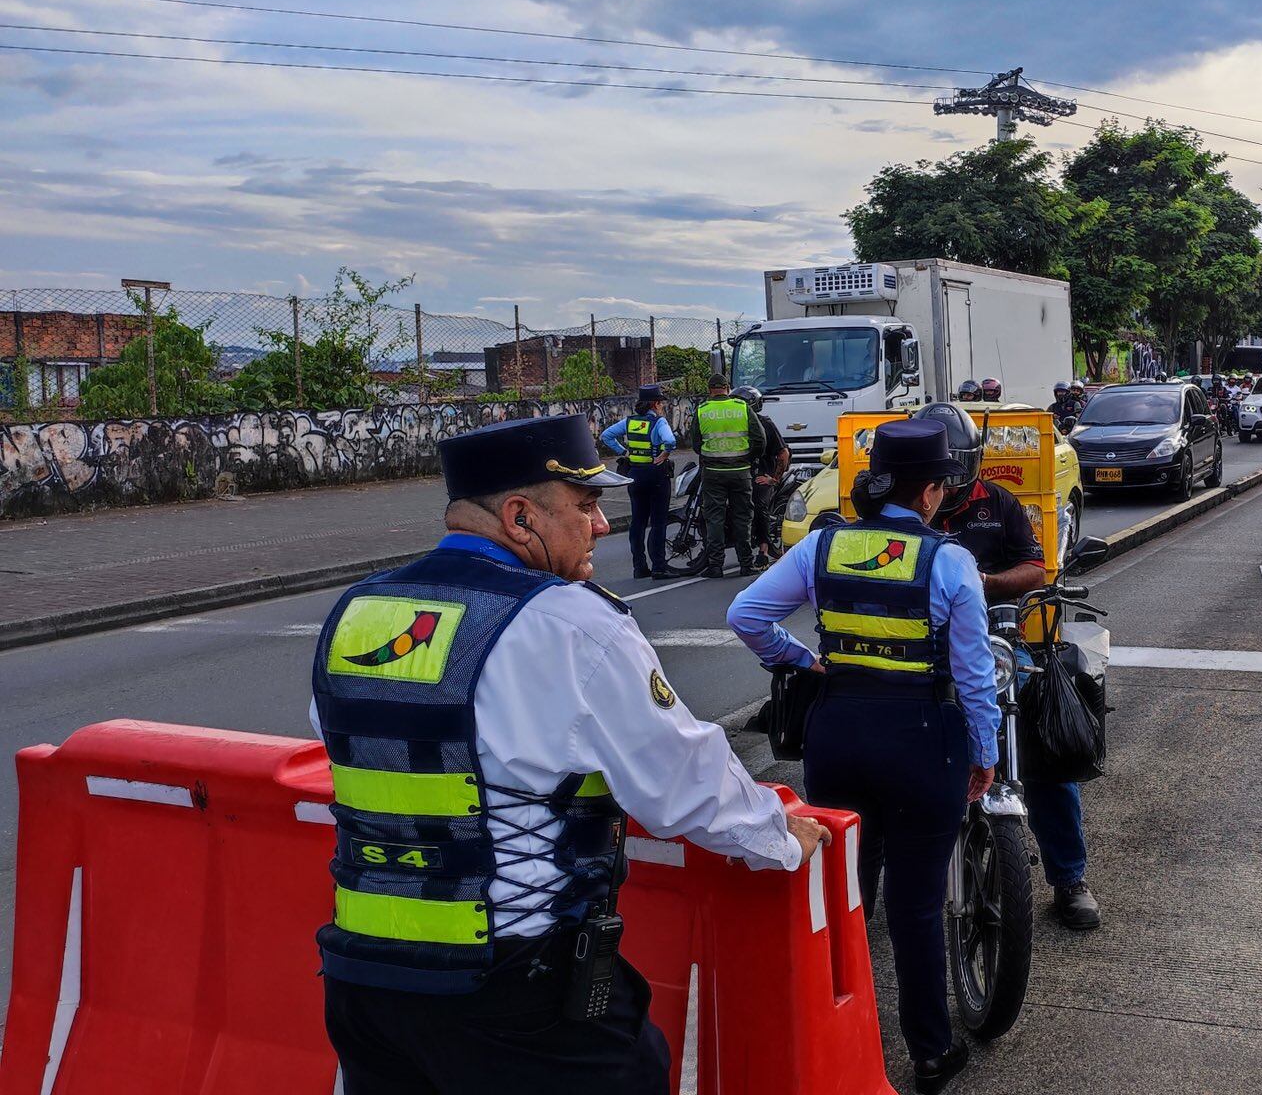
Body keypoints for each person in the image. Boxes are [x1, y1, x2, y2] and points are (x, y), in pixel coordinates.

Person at [312, 415, 827, 1093]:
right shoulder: (570, 623)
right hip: (515, 990)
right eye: (585, 506)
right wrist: (778, 836)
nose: (603, 525)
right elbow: (681, 779)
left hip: (364, 984)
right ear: (521, 517)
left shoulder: (359, 611)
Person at [726, 418, 999, 1094]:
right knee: (915, 907)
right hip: (922, 743)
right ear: (933, 491)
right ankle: (930, 1053)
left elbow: (746, 615)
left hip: (838, 733)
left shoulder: (822, 547)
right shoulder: (950, 561)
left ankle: (826, 1041)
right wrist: (985, 752)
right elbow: (972, 677)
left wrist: (804, 661)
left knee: (840, 895)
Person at [918, 402, 1103, 931]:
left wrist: (984, 584)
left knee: (1046, 754)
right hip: (923, 654)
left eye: (954, 473)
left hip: (998, 648)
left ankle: (1070, 878)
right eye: (938, 475)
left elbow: (1035, 569)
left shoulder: (997, 503)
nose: (945, 486)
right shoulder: (906, 511)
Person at [686, 373, 765, 578]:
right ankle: (746, 564)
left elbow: (695, 443)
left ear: (710, 389)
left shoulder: (702, 410)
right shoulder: (741, 407)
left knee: (714, 519)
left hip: (713, 473)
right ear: (727, 388)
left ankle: (715, 566)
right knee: (742, 518)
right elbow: (760, 439)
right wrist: (749, 458)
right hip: (740, 472)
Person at [601, 384, 683, 580]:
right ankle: (659, 567)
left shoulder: (630, 422)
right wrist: (664, 454)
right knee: (658, 522)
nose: (662, 406)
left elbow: (606, 436)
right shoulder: (659, 423)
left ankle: (639, 567)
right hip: (655, 475)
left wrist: (624, 452)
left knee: (637, 522)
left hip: (635, 475)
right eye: (661, 403)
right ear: (655, 404)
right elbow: (670, 441)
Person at [735, 385, 789, 564]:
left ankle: (763, 549)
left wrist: (773, 479)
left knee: (759, 505)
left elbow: (783, 454)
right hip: (740, 474)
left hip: (762, 474)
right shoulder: (733, 426)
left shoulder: (765, 424)